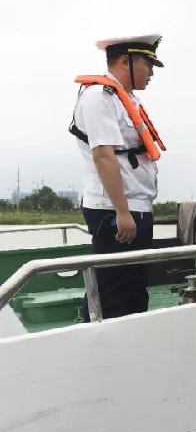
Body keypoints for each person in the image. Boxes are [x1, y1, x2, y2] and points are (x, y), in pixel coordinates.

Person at [71, 34, 167, 320]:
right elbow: (103, 156)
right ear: (126, 60)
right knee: (111, 295)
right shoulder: (99, 97)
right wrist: (122, 212)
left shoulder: (127, 100)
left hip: (137, 209)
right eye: (148, 64)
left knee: (134, 292)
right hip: (114, 211)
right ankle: (101, 357)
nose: (151, 72)